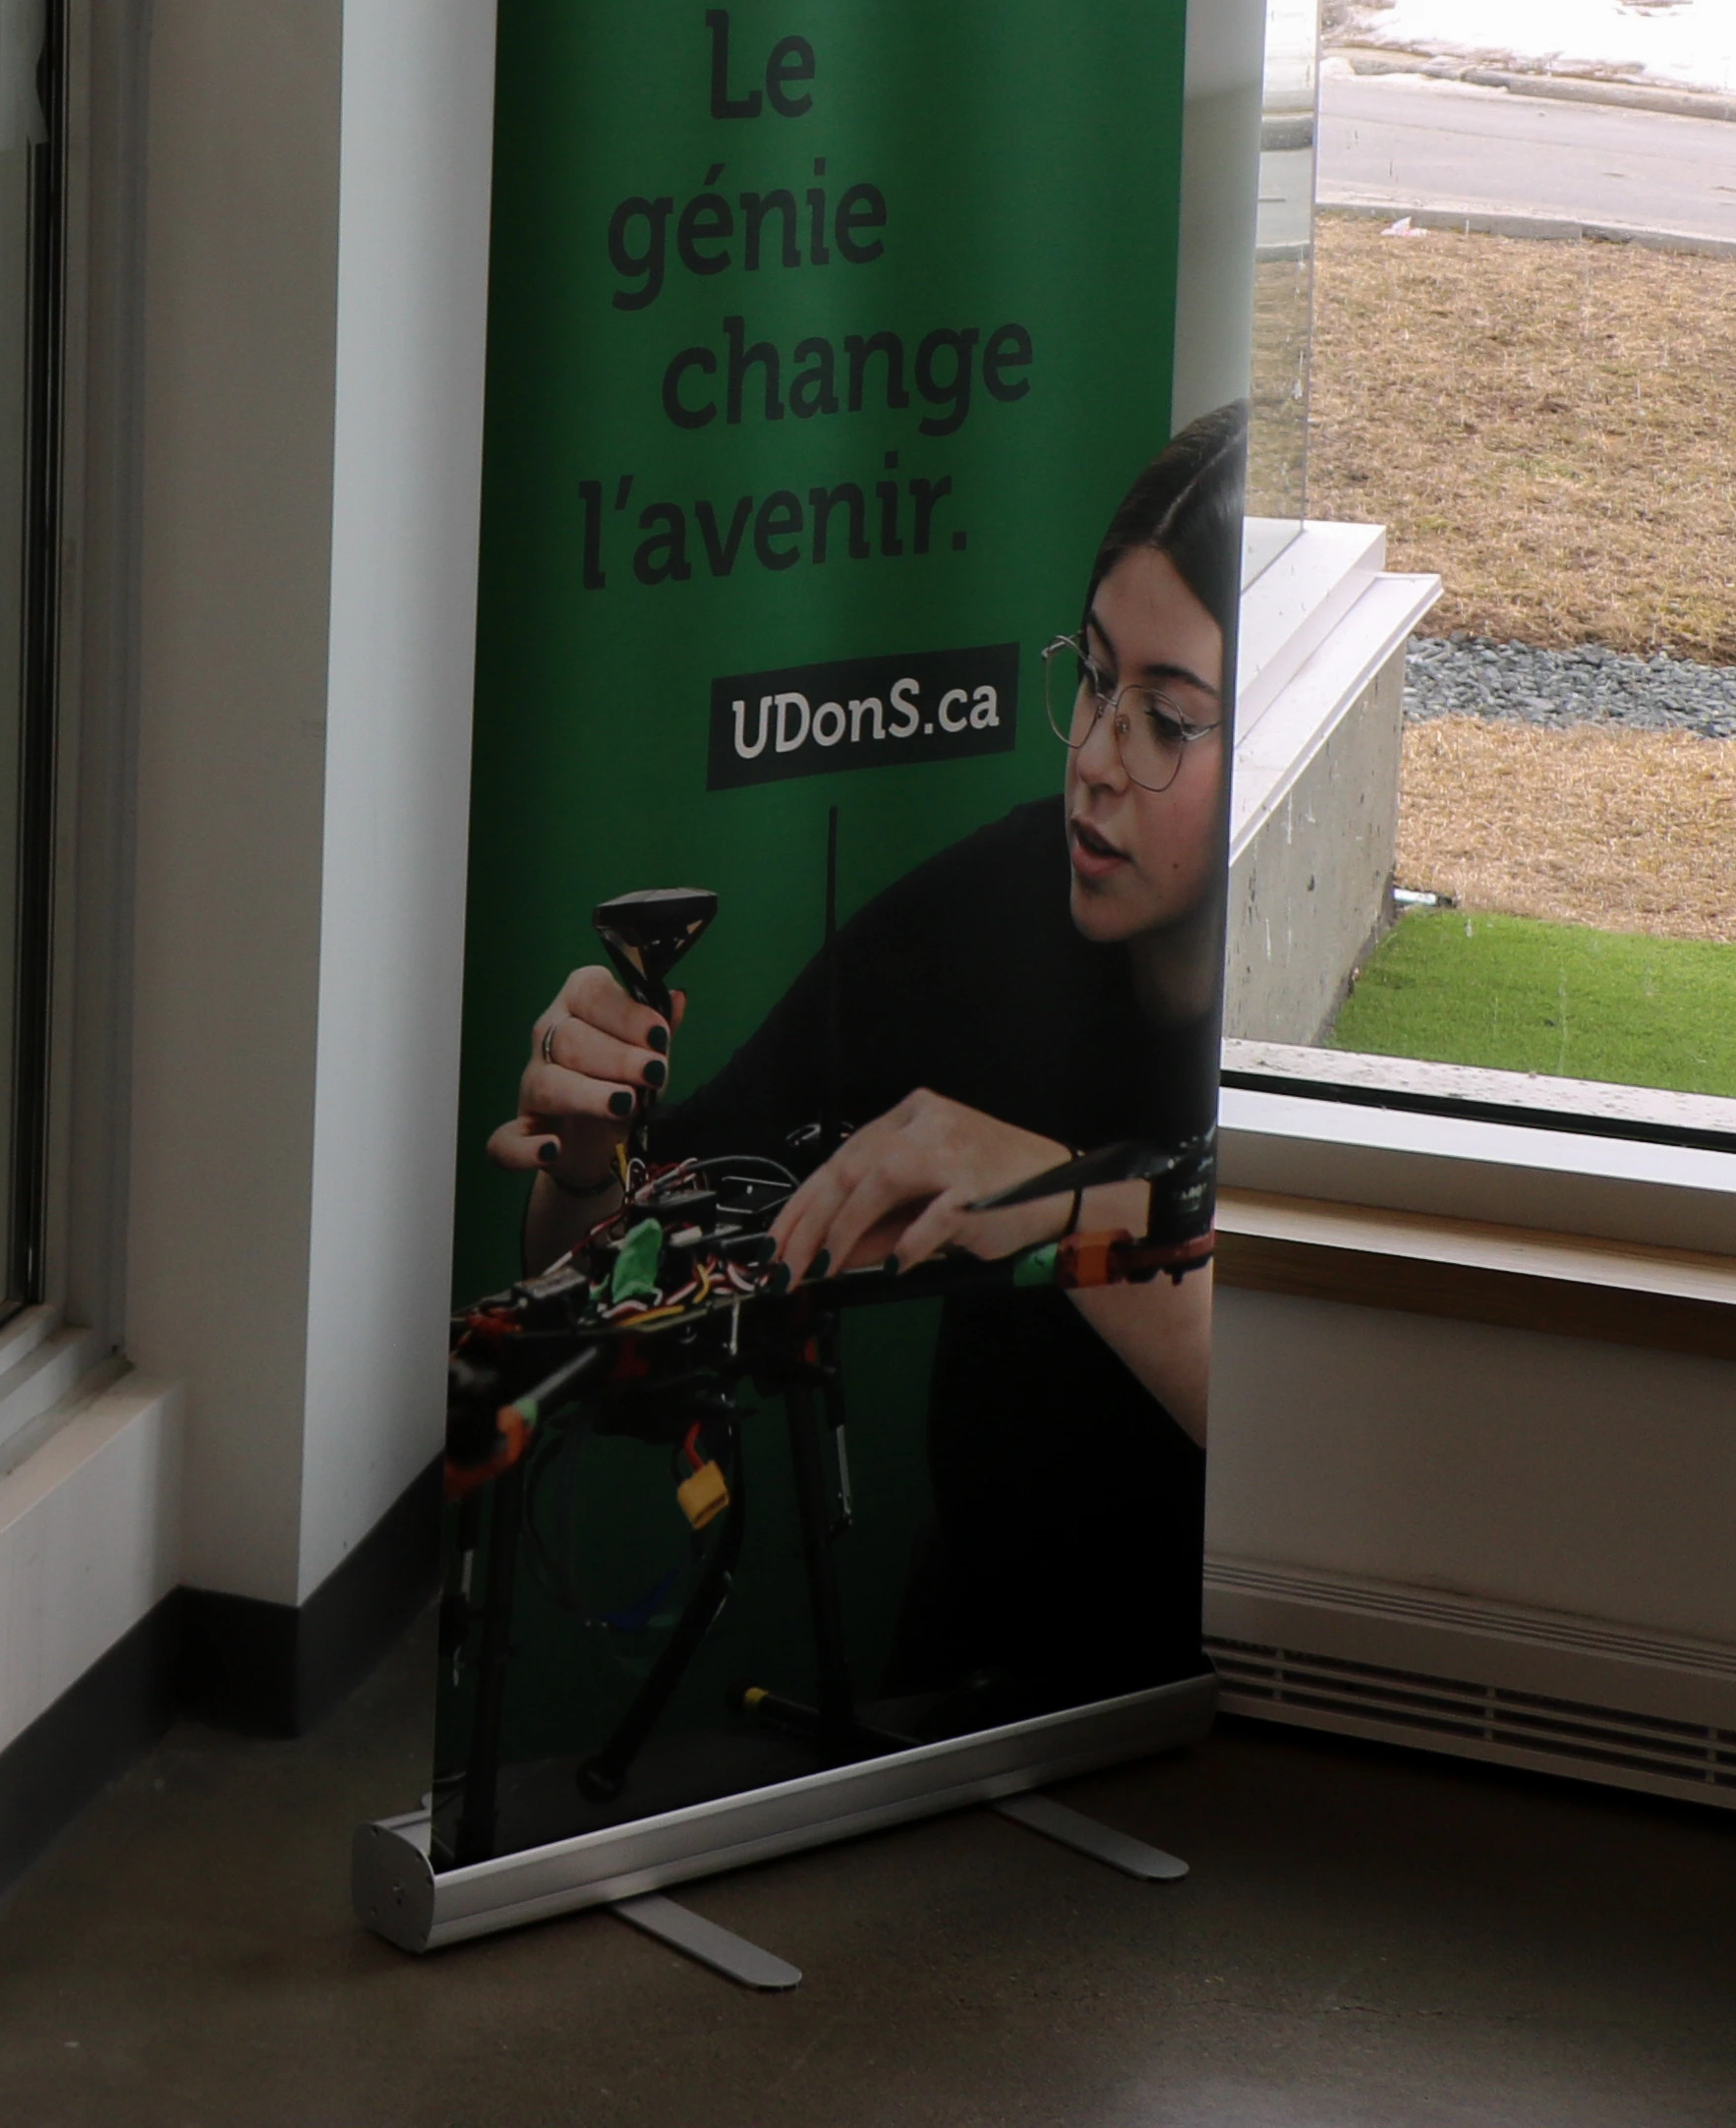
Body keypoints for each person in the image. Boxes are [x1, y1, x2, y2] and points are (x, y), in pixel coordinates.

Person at [483, 404, 1243, 1714]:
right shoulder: (992, 917)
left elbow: (1312, 1439)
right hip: (980, 1713)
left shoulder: (1328, 1003)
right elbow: (595, 1261)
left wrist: (1041, 1196)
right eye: (1093, 678)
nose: (1094, 759)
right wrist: (591, 1148)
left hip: (1280, 1739)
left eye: (1168, 722)